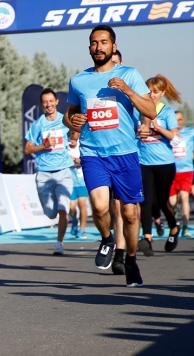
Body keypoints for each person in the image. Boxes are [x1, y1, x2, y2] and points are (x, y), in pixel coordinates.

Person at [63, 25, 156, 287]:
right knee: (101, 206)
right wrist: (74, 121)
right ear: (90, 48)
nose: (99, 47)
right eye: (94, 43)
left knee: (129, 214)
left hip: (125, 153)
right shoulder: (79, 80)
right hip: (93, 154)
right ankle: (107, 239)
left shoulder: (129, 74)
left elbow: (151, 110)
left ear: (113, 47)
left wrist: (128, 90)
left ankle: (131, 260)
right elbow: (68, 116)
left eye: (104, 42)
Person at [24, 88, 74, 255]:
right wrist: (44, 145)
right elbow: (28, 148)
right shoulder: (38, 124)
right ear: (42, 104)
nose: (48, 104)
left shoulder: (65, 121)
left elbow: (76, 134)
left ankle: (59, 243)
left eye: (51, 101)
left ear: (56, 102)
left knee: (62, 209)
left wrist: (74, 141)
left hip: (64, 171)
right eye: (45, 102)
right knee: (50, 213)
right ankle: (53, 214)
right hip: (44, 173)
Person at [136, 75, 181, 256]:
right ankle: (147, 238)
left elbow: (177, 140)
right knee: (145, 201)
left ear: (162, 93)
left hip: (164, 163)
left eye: (156, 92)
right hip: (143, 162)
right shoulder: (138, 110)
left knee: (162, 202)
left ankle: (173, 227)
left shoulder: (167, 112)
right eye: (149, 91)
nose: (152, 95)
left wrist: (157, 128)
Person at [107, 49, 127, 275]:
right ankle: (119, 253)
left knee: (129, 211)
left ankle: (131, 251)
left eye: (115, 64)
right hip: (106, 156)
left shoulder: (131, 84)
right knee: (114, 208)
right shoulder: (99, 89)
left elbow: (148, 112)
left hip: (131, 155)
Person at [169, 110, 194, 238]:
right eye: (175, 120)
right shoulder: (168, 133)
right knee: (171, 202)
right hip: (171, 171)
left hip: (186, 171)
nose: (178, 122)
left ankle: (184, 227)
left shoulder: (190, 132)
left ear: (183, 120)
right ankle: (175, 216)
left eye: (180, 119)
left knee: (184, 197)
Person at [67, 132, 89, 239]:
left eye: (75, 133)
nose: (73, 135)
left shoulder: (83, 144)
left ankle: (82, 229)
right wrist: (70, 160)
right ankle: (74, 221)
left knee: (81, 204)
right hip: (70, 180)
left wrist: (76, 160)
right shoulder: (65, 146)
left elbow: (86, 159)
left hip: (82, 180)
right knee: (71, 207)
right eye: (71, 133)